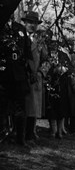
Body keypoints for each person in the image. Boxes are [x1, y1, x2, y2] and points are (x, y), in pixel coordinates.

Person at [0, 16, 33, 146]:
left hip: (19, 75)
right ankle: (3, 135)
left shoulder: (20, 29)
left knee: (21, 108)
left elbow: (27, 52)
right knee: (1, 107)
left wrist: (32, 71)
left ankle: (20, 138)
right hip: (3, 73)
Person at [22, 11, 48, 142]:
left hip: (35, 78)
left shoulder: (40, 41)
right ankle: (20, 134)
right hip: (22, 77)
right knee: (23, 107)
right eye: (30, 22)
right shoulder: (19, 38)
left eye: (35, 23)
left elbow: (46, 60)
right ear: (25, 23)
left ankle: (31, 133)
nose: (32, 25)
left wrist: (41, 72)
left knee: (34, 107)